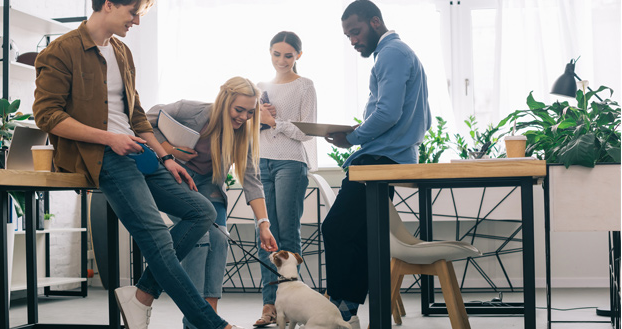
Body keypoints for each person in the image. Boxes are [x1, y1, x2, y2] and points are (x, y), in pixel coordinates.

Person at [32, 1, 260, 328]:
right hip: (104, 155)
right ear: (109, 4)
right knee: (159, 241)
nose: (137, 21)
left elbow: (137, 116)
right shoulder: (61, 51)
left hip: (139, 152)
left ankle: (140, 297)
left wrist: (166, 158)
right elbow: (47, 116)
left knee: (203, 212)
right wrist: (109, 138)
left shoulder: (121, 52)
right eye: (133, 12)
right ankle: (213, 325)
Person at [322, 0, 432, 327]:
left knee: (337, 228)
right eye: (348, 36)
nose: (353, 40)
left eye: (355, 32)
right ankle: (347, 310)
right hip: (389, 158)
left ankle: (340, 310)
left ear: (375, 22)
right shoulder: (399, 55)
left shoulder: (392, 55)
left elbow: (387, 113)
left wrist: (351, 137)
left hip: (378, 160)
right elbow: (417, 118)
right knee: (362, 236)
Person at [145, 76, 279, 329]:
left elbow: (252, 180)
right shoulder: (191, 110)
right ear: (224, 99)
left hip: (209, 183)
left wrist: (264, 224)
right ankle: (197, 320)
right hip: (177, 176)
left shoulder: (244, 134)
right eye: (239, 109)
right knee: (201, 236)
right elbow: (144, 121)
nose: (243, 117)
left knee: (219, 237)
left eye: (250, 112)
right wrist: (168, 148)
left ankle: (210, 316)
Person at [254, 31, 318, 327]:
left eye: (288, 55)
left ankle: (292, 306)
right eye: (276, 54)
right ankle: (269, 305)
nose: (282, 60)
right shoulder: (260, 88)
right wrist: (259, 120)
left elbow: (306, 132)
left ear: (298, 57)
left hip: (291, 163)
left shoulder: (305, 86)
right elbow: (248, 130)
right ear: (269, 53)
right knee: (266, 235)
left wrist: (275, 122)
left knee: (287, 234)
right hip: (261, 162)